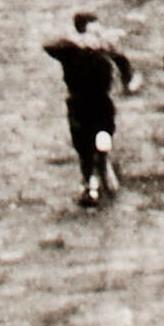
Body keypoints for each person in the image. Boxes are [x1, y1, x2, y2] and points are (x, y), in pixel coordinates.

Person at [43, 10, 137, 206]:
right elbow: (48, 45)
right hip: (80, 100)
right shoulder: (71, 49)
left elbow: (122, 61)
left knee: (100, 136)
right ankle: (91, 183)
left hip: (96, 100)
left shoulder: (102, 47)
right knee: (85, 144)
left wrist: (128, 79)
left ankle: (100, 165)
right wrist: (80, 42)